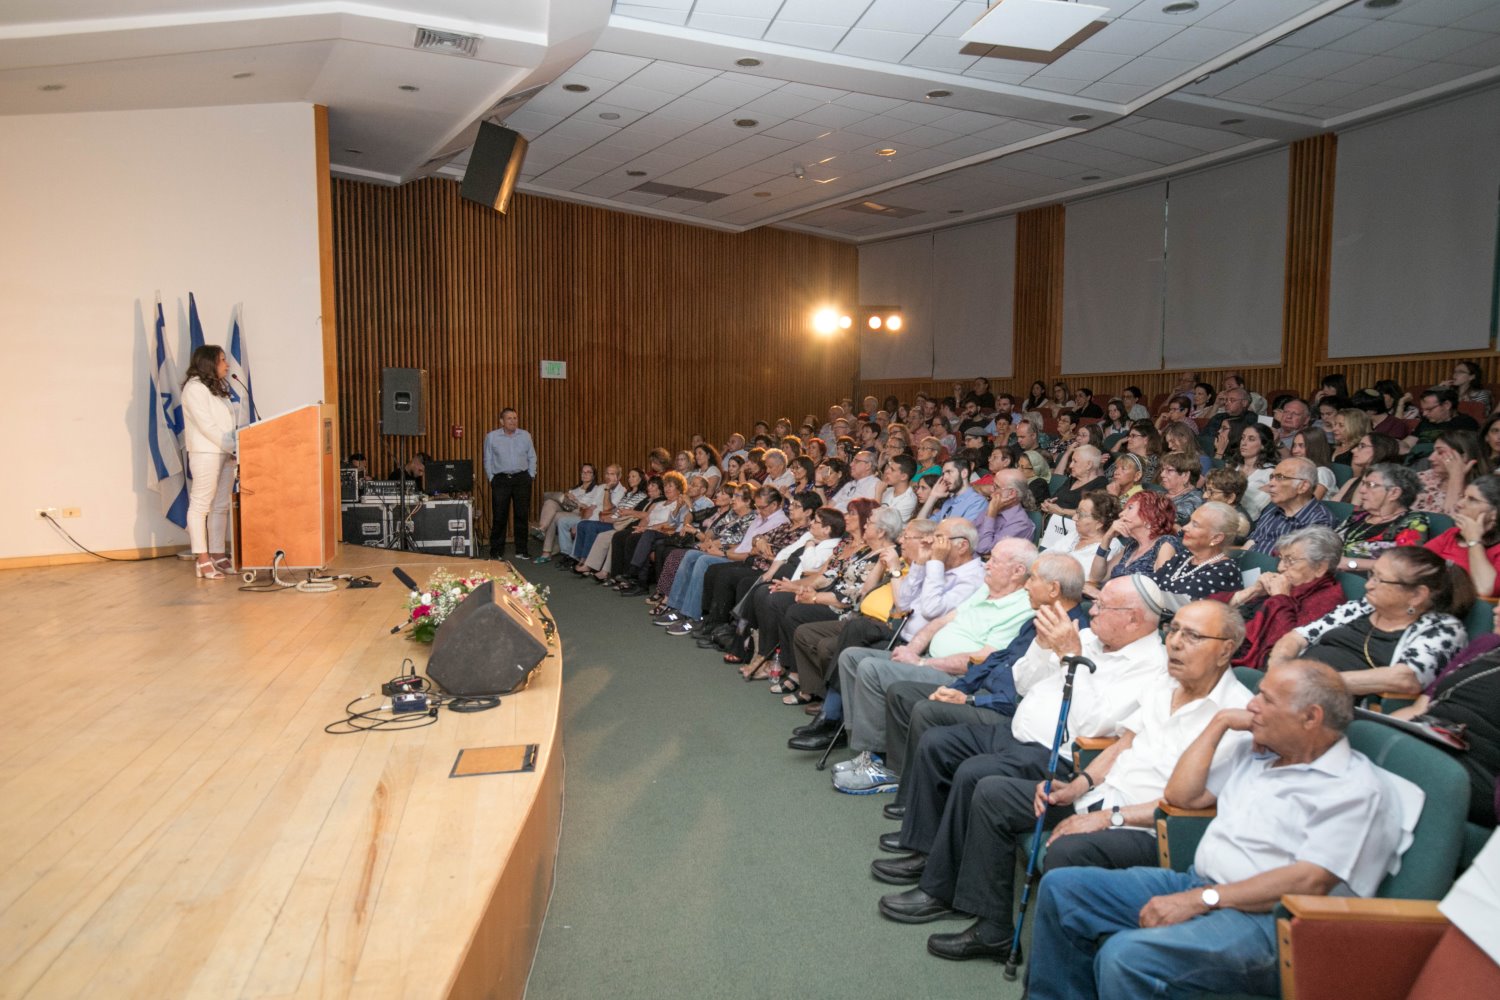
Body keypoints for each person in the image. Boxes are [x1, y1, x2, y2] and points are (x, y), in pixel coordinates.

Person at [881, 601, 1253, 962]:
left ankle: (1061, 968)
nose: (1174, 642)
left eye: (1192, 636)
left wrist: (1109, 818)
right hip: (1099, 796)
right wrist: (1076, 787)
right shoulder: (1166, 687)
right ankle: (992, 928)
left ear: (1225, 651)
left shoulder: (1235, 714)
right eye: (1174, 631)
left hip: (1149, 828)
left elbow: (1194, 805)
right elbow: (1123, 744)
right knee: (994, 793)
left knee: (1066, 849)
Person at [1027, 660, 1408, 1000]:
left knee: (1127, 956)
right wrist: (1218, 723)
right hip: (1200, 882)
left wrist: (1202, 900)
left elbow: (1309, 881)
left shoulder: (1354, 788)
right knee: (1064, 890)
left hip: (1272, 924)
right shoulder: (1259, 752)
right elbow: (1180, 796)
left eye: (1268, 700)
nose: (1252, 705)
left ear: (1310, 717)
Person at [871, 576, 1170, 891]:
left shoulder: (1150, 667)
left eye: (1102, 606)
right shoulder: (1087, 638)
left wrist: (1070, 658)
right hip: (1016, 734)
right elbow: (1023, 684)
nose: (1092, 611)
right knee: (938, 742)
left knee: (974, 773)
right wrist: (1042, 647)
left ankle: (940, 884)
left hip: (1059, 756)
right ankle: (923, 848)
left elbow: (1090, 725)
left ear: (1132, 618)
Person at [814, 539, 1040, 766]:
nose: (987, 564)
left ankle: (878, 758)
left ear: (1018, 571)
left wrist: (921, 664)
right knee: (851, 656)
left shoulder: (1022, 608)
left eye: (994, 561)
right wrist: (911, 651)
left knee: (871, 667)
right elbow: (939, 622)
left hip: (958, 676)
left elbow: (981, 660)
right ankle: (859, 741)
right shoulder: (986, 589)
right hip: (927, 658)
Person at [1270, 547, 1471, 697]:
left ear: (1417, 595)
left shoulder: (1443, 629)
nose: (1368, 585)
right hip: (1290, 684)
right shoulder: (1363, 607)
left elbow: (1405, 679)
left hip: (1334, 703)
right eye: (1371, 575)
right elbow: (1297, 637)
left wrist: (1311, 682)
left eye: (1379, 580)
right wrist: (1279, 667)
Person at [1393, 601, 1500, 827]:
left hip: (1474, 770)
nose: (1496, 610)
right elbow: (1420, 708)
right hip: (1430, 734)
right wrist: (1382, 728)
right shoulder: (1487, 645)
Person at [1215, 525, 1345, 670]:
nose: (1281, 568)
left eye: (1290, 561)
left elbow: (1286, 647)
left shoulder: (1329, 599)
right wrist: (1252, 591)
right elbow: (1217, 611)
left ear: (1320, 567)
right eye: (1281, 559)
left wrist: (1280, 598)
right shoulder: (1289, 583)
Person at [181, 344, 238, 579]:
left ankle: (216, 552)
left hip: (225, 453)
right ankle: (202, 558)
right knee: (201, 504)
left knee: (221, 505)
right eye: (222, 360)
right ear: (209, 363)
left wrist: (234, 447)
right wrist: (234, 445)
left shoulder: (214, 388)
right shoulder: (194, 389)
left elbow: (225, 425)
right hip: (206, 453)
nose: (227, 364)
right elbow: (207, 426)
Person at [1334, 462, 1429, 571]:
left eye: (1371, 485)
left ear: (1394, 493)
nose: (1362, 490)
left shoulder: (1413, 521)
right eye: (1363, 484)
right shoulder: (1359, 515)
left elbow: (1407, 564)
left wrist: (1351, 563)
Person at [1426, 474, 1500, 598]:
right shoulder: (1452, 534)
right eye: (1463, 497)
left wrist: (1474, 540)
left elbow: (1485, 589)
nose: (1459, 504)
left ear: (1494, 513)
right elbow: (1414, 564)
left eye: (1472, 500)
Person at [1244, 458, 1335, 554]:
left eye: (1280, 477)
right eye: (1272, 477)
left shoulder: (1320, 521)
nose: (1271, 483)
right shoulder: (1272, 510)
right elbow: (1250, 544)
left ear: (1303, 486)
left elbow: (1300, 563)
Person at [484, 407, 536, 559]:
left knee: (521, 515)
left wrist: (530, 475)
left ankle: (521, 550)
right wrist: (491, 478)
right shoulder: (492, 437)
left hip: (522, 479)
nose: (513, 421)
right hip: (500, 480)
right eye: (509, 418)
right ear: (502, 421)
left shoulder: (525, 435)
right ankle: (496, 551)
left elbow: (532, 456)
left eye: (515, 418)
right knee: (500, 516)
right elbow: (488, 459)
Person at [1329, 432, 1401, 503]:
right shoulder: (1352, 481)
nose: (1353, 450)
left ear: (1380, 450)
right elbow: (1334, 505)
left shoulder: (1386, 486)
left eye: (1362, 446)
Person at [1406, 386, 1479, 449]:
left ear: (1447, 405)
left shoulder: (1466, 423)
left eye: (1429, 409)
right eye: (1423, 410)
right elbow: (1408, 443)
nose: (1424, 414)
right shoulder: (1425, 422)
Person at [1230, 423, 1277, 519]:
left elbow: (1257, 511)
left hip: (1247, 521)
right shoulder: (1235, 467)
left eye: (1251, 439)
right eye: (1243, 438)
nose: (1244, 443)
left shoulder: (1270, 473)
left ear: (1263, 445)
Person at [1158, 452, 1204, 527]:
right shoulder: (1160, 493)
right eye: (1162, 470)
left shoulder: (1194, 500)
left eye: (1169, 470)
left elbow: (1167, 523)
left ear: (1185, 475)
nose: (1162, 474)